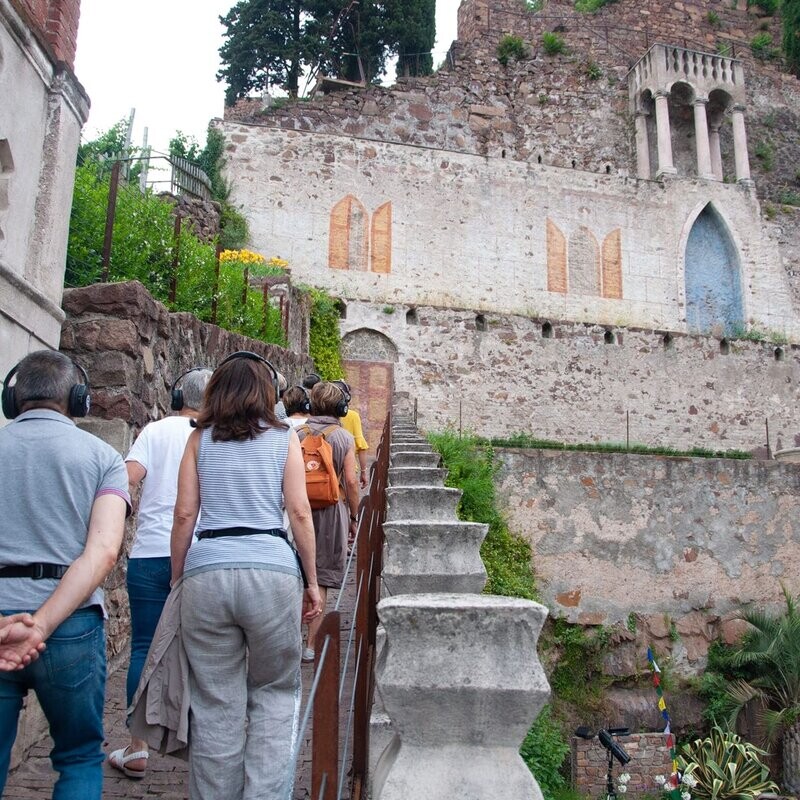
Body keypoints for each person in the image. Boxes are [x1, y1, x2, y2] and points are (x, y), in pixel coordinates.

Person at [170, 351, 322, 800]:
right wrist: (312, 581)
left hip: (208, 569)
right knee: (275, 693)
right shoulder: (283, 437)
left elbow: (184, 515)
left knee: (215, 702)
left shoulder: (199, 439)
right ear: (269, 392)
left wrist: (178, 577)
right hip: (271, 568)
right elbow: (299, 512)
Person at [0, 350, 129, 799]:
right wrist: (41, 625)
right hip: (70, 627)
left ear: (12, 399)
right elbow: (103, 552)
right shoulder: (104, 457)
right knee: (78, 758)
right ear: (79, 399)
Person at [108, 367, 212, 779]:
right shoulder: (218, 436)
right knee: (207, 652)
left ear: (177, 396)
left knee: (142, 648)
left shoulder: (154, 431)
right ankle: (205, 747)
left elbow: (125, 478)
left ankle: (137, 747)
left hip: (151, 552)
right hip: (201, 555)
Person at [298, 382, 359, 662]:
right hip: (331, 512)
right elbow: (351, 481)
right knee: (320, 577)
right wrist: (354, 516)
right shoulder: (344, 438)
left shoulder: (296, 434)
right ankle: (310, 646)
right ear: (341, 408)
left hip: (298, 508)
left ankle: (289, 638)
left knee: (295, 573)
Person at [334, 380, 370, 489]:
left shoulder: (316, 416)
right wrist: (363, 472)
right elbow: (361, 446)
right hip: (347, 470)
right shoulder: (353, 416)